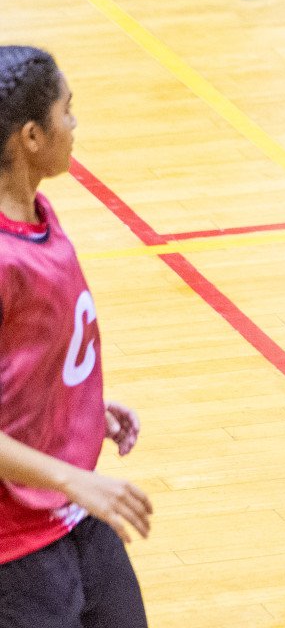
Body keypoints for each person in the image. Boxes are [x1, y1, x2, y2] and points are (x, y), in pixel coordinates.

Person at [0, 46, 153, 628]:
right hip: (16, 547)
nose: (75, 125)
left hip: (73, 509)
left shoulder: (36, 213)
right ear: (31, 136)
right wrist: (73, 477)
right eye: (68, 111)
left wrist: (72, 403)